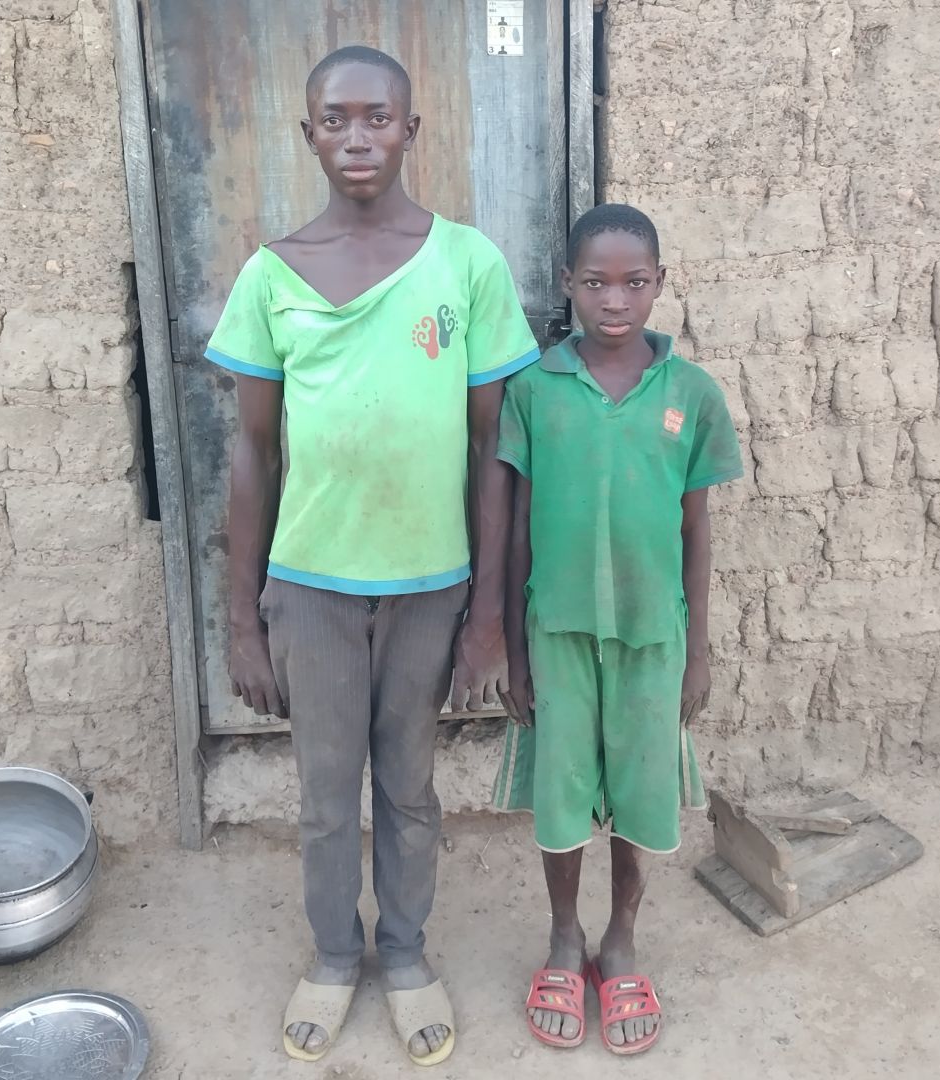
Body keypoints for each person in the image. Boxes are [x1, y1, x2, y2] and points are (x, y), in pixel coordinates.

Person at [204, 45, 538, 1066]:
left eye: (378, 118)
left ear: (410, 130)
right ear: (308, 134)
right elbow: (254, 455)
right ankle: (332, 955)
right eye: (336, 119)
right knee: (323, 793)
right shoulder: (272, 275)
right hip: (311, 587)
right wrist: (242, 617)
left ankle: (404, 952)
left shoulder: (467, 264)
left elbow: (493, 450)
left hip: (431, 587)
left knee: (408, 787)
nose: (358, 137)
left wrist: (489, 613)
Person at [492, 204, 743, 1055]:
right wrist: (513, 647)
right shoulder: (534, 391)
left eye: (634, 282)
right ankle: (565, 937)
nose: (614, 300)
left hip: (652, 636)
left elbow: (696, 531)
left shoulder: (691, 393)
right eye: (595, 282)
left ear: (659, 284)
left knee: (642, 791)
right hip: (557, 633)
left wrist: (697, 652)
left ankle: (621, 941)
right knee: (562, 793)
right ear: (568, 284)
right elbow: (516, 532)